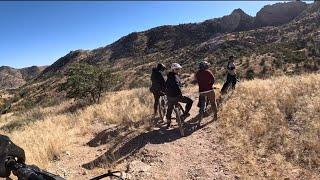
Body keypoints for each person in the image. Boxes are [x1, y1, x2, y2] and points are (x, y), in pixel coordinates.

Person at [165, 63, 193, 128]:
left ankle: (168, 123)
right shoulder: (176, 76)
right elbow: (177, 86)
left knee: (169, 109)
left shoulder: (168, 76)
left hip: (169, 97)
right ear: (173, 69)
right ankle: (185, 114)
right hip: (177, 96)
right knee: (190, 101)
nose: (178, 70)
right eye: (176, 69)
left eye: (178, 69)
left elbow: (166, 85)